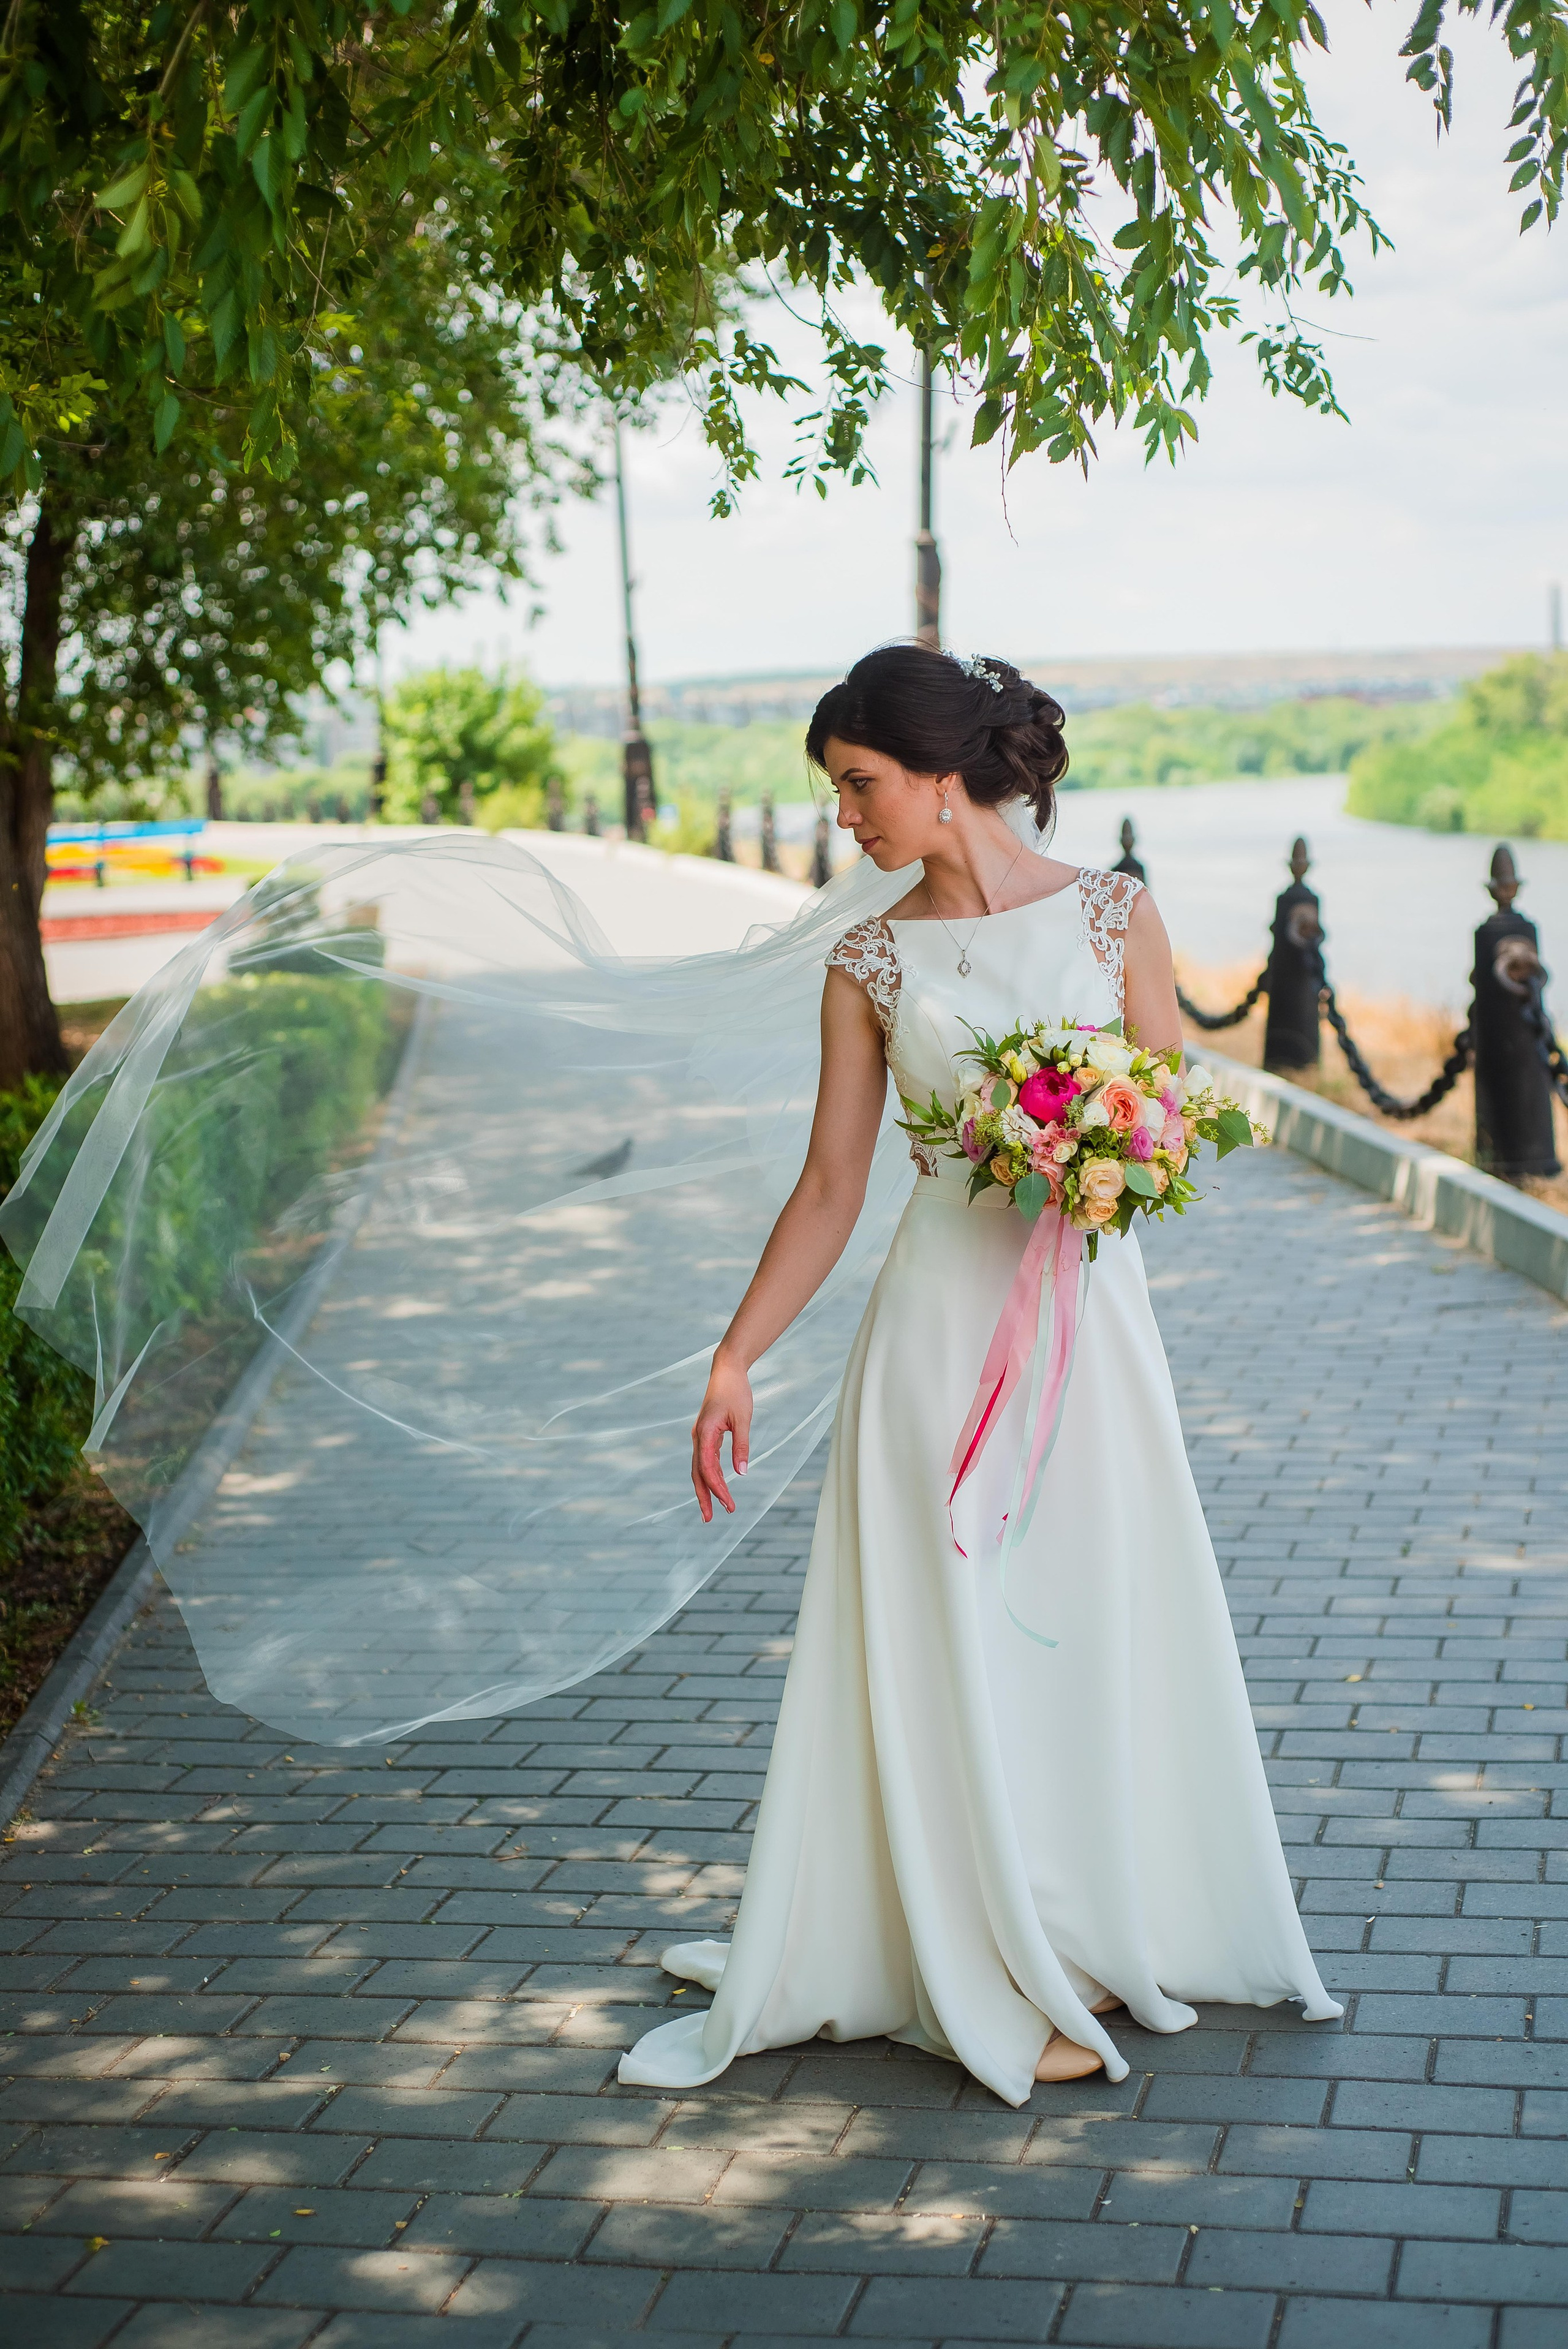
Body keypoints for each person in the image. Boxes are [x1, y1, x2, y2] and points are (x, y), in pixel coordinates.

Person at [619, 644, 1341, 2106]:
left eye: (858, 785)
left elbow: (1185, 1107)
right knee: (948, 1638)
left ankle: (1077, 1926)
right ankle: (976, 1966)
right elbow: (831, 1185)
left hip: (1093, 1331)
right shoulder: (867, 959)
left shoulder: (1111, 914)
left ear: (942, 774)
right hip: (936, 1342)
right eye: (835, 793)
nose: (846, 819)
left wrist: (1105, 1143)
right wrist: (734, 1356)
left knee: (1087, 1619)